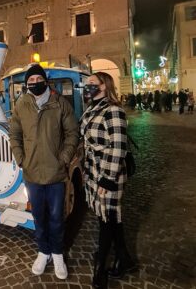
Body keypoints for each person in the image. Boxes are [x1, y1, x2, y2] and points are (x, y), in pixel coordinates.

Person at [9, 64, 79, 278]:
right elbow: (15, 134)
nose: (34, 84)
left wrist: (65, 158)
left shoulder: (60, 104)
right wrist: (21, 159)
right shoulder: (21, 104)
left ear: (45, 81)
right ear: (26, 84)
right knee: (38, 215)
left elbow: (72, 133)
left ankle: (57, 254)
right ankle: (43, 251)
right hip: (32, 172)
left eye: (37, 80)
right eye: (30, 82)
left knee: (57, 216)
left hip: (55, 172)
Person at [80, 72, 136, 289]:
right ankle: (125, 259)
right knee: (111, 218)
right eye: (86, 85)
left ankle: (100, 269)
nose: (87, 88)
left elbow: (119, 146)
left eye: (92, 84)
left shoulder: (113, 110)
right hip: (95, 172)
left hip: (108, 174)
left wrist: (107, 180)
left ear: (104, 86)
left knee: (106, 220)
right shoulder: (93, 109)